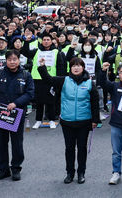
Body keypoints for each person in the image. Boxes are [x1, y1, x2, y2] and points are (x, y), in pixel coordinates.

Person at [38, 56, 99, 184]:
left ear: (83, 67)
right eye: (73, 65)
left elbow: (94, 103)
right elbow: (48, 79)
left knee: (82, 148)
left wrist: (95, 120)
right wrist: (42, 67)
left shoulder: (89, 83)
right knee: (69, 148)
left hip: (84, 121)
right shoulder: (64, 80)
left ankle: (81, 173)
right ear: (70, 68)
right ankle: (69, 173)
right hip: (67, 121)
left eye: (79, 65)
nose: (76, 68)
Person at [0, 49, 35, 181]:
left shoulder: (26, 75)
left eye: (15, 59)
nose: (12, 62)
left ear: (19, 60)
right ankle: (3, 170)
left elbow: (30, 94)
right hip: (1, 113)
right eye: (10, 60)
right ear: (6, 61)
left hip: (17, 113)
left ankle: (16, 168)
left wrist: (16, 103)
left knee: (17, 143)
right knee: (2, 143)